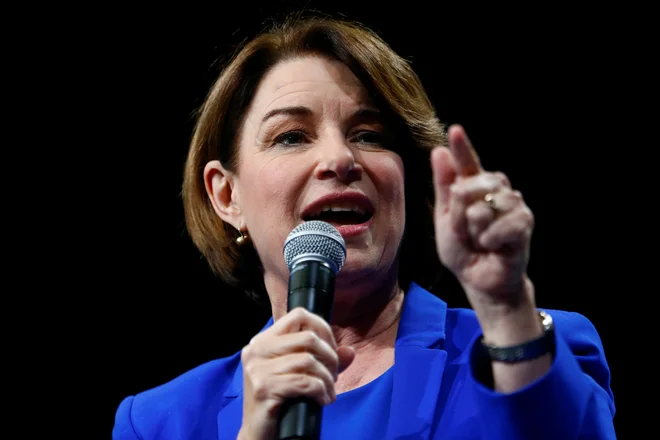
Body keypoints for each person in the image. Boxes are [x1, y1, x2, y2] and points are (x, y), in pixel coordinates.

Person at [112, 14, 616, 440]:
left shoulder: (531, 347)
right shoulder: (159, 422)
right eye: (290, 137)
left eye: (370, 134)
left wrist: (507, 309)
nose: (339, 158)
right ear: (226, 195)